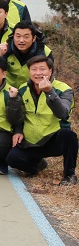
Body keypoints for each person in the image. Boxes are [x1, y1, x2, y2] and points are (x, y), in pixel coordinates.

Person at [6, 55, 77, 185]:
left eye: (42, 69)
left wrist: (49, 92)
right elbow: (17, 117)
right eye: (34, 69)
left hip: (53, 138)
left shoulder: (64, 89)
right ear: (29, 72)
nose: (38, 73)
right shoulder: (23, 89)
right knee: (12, 159)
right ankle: (37, 165)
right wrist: (17, 129)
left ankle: (69, 175)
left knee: (69, 136)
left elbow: (63, 113)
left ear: (50, 71)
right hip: (31, 140)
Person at [4, 22, 51, 88]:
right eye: (18, 36)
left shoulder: (45, 52)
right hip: (8, 90)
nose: (21, 40)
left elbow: (49, 76)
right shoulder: (4, 49)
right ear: (13, 36)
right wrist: (0, 55)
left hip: (30, 91)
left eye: (26, 37)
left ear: (34, 38)